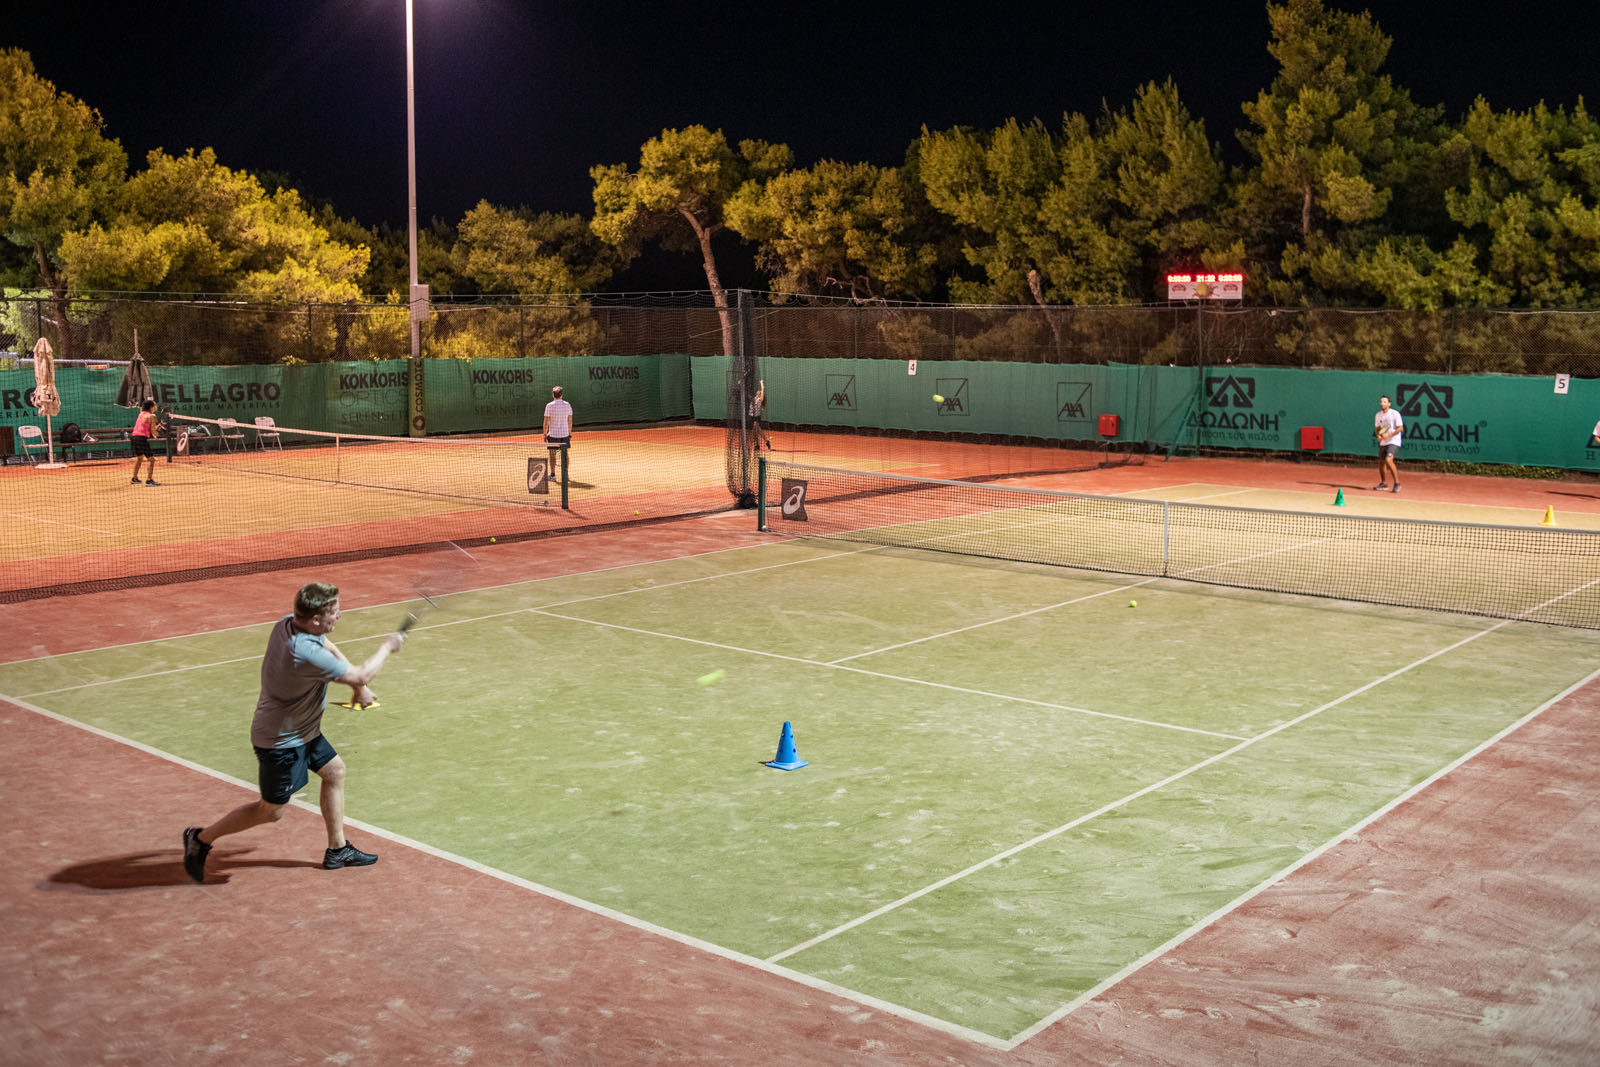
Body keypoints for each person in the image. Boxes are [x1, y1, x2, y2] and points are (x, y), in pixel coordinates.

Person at [182, 582, 405, 883]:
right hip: (280, 741)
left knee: (335, 772)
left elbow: (329, 647)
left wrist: (359, 688)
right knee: (270, 812)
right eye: (334, 612)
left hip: (303, 730)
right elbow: (362, 670)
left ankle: (337, 849)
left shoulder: (287, 624)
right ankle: (200, 839)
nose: (340, 615)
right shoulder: (303, 652)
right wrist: (387, 646)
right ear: (316, 618)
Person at [542, 385, 573, 482]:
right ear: (561, 395)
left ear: (553, 395)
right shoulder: (567, 405)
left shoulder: (549, 405)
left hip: (553, 435)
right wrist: (569, 433)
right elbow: (570, 421)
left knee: (552, 454)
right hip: (564, 434)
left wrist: (544, 434)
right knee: (565, 454)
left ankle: (553, 475)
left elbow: (546, 422)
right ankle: (565, 474)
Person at [1374, 394, 1404, 492]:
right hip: (1383, 442)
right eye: (1381, 402)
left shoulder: (1395, 414)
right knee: (1381, 462)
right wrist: (1378, 435)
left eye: (1384, 402)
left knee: (1388, 459)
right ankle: (1383, 483)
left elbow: (1400, 428)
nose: (1382, 404)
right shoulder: (1378, 415)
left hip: (1394, 441)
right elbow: (1377, 428)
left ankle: (1397, 483)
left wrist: (1389, 435)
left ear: (1389, 404)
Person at [130, 399, 160, 486]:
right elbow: (153, 432)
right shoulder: (152, 416)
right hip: (141, 439)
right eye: (155, 404)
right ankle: (149, 480)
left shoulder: (141, 414)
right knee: (152, 460)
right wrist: (159, 433)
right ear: (151, 407)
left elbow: (145, 427)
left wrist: (155, 428)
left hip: (134, 437)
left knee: (140, 458)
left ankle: (134, 478)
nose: (156, 406)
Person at [749, 378, 772, 451]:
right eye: (758, 391)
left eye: (760, 392)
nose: (758, 391)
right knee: (756, 431)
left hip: (756, 417)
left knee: (756, 430)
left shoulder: (760, 399)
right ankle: (765, 442)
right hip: (751, 416)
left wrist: (761, 383)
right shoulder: (754, 398)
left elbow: (762, 389)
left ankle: (758, 445)